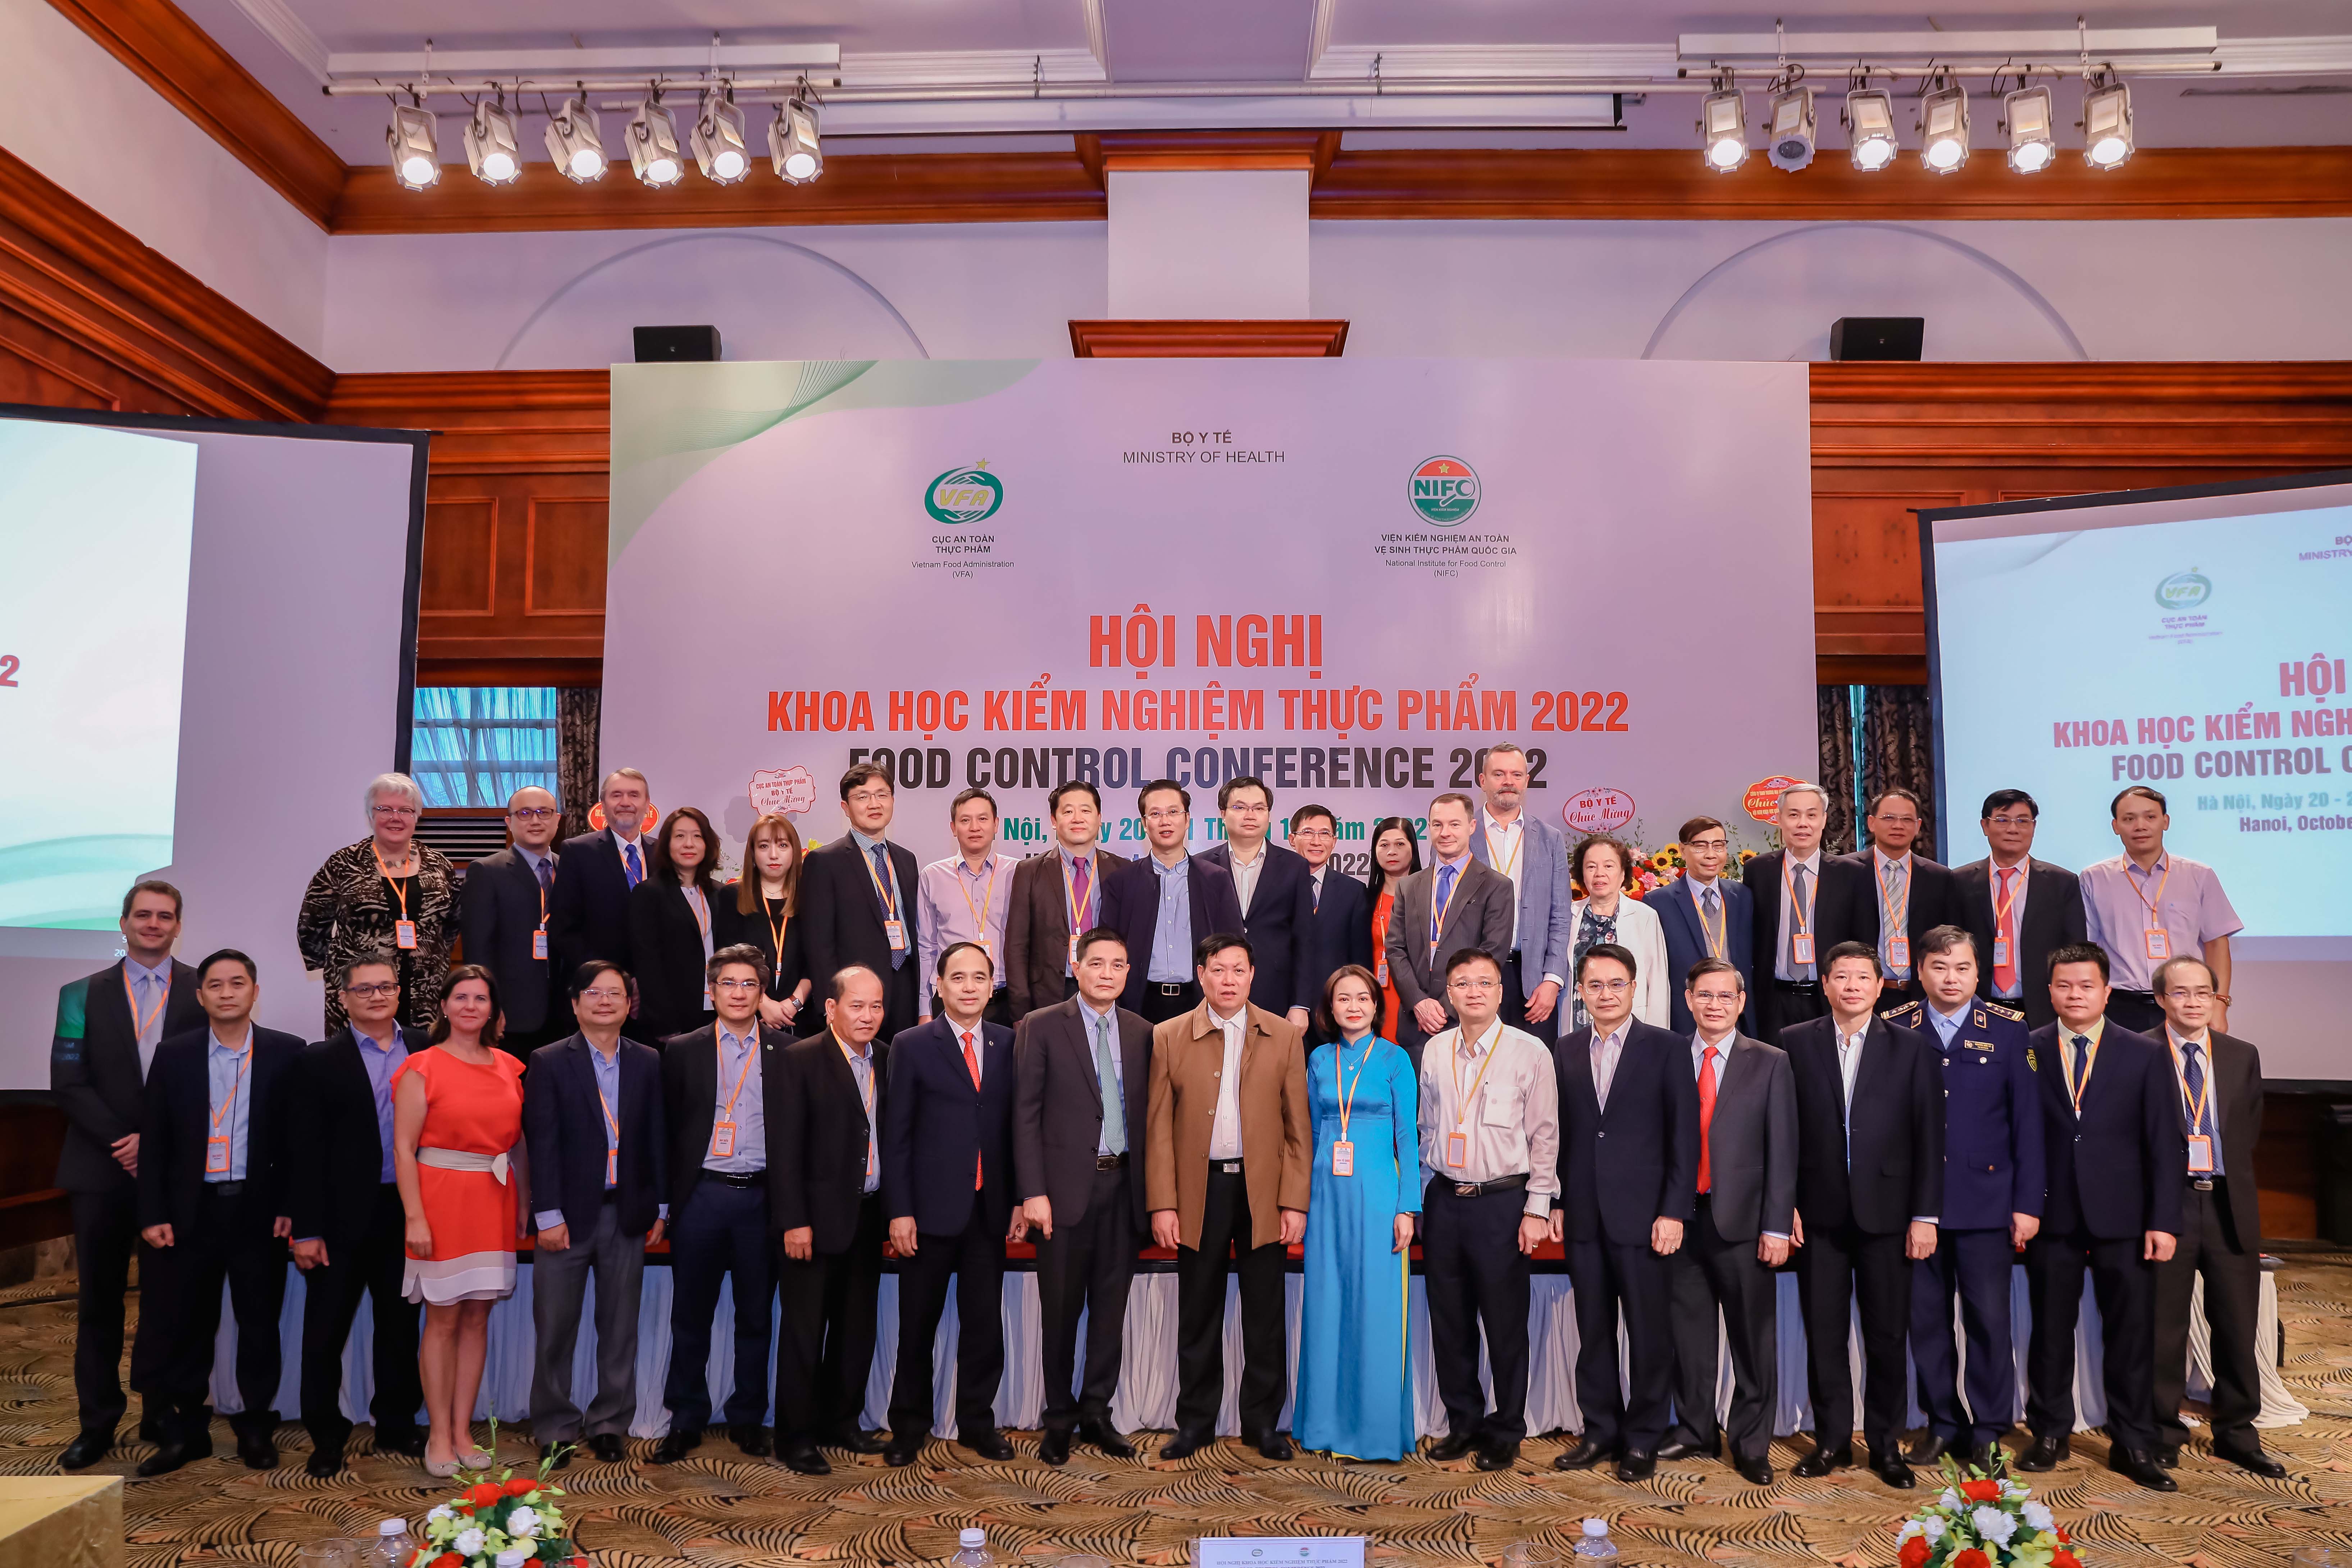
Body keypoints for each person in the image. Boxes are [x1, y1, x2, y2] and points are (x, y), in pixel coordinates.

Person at [1880, 928, 2043, 1474]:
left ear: (1980, 974)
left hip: (1987, 1204)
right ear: (1920, 972)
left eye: (1962, 968)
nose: (1951, 979)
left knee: (1989, 1321)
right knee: (1926, 1322)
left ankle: (1989, 1429)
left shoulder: (2007, 1031)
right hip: (1915, 1209)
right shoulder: (1896, 1027)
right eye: (1939, 968)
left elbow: (2028, 1127)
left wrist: (2028, 1205)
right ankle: (1943, 1422)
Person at [1781, 942, 1943, 1488]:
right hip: (1820, 1217)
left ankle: (1884, 1444)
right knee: (1824, 1335)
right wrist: (1787, 1206)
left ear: (1881, 986)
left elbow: (1928, 1137)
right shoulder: (1793, 1045)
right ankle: (1831, 1442)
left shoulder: (1912, 1048)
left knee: (1887, 1337)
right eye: (1840, 976)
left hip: (1891, 1216)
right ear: (1825, 984)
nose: (1851, 986)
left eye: (1862, 977)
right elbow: (1784, 1137)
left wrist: (1926, 1217)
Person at [53, 879, 201, 1471]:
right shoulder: (78, 993)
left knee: (169, 1304)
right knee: (99, 1304)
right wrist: (124, 1142)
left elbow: (211, 1079)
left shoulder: (202, 988)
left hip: (173, 1176)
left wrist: (158, 1145)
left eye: (165, 916)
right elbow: (68, 1081)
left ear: (178, 925)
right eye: (144, 915)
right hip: (99, 1170)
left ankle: (162, 1417)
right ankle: (97, 1423)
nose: (154, 924)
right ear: (123, 922)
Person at [2020, 942, 2180, 1491]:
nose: (2075, 995)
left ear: (2107, 991)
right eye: (2064, 985)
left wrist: (2164, 1220)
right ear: (2050, 991)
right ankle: (2049, 1432)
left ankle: (2134, 1441)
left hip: (2127, 1216)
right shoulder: (2030, 1048)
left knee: (2131, 1332)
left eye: (2086, 986)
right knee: (2049, 1329)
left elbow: (2166, 1144)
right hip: (2052, 1213)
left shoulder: (2144, 1052)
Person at [133, 950, 301, 1476]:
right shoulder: (175, 1054)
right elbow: (155, 1141)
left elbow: (301, 1143)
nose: (227, 993)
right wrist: (153, 1212)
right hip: (190, 1213)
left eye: (238, 983)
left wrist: (292, 1206)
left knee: (258, 1325)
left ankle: (255, 1426)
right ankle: (189, 1430)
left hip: (258, 1213)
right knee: (188, 1323)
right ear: (200, 994)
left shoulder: (286, 1053)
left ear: (255, 991)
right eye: (215, 985)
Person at [1147, 933, 1313, 1462]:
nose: (1228, 981)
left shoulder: (1284, 1036)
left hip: (1262, 1192)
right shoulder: (1170, 1035)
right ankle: (1195, 1422)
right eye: (1218, 971)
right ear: (1201, 975)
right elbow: (1158, 1131)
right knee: (1198, 1311)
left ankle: (1263, 1424)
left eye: (1238, 971)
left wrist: (1295, 1202)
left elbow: (1297, 1129)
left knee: (1265, 1312)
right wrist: (1164, 1204)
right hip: (1200, 1192)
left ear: (1252, 975)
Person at [1550, 943, 1698, 1482]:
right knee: (1593, 1332)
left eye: (1617, 984)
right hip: (1585, 1217)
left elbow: (1684, 1140)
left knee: (1649, 1334)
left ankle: (1643, 1438)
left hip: (1646, 1219)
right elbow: (1560, 1135)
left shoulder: (1665, 1048)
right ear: (1581, 991)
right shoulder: (1564, 1050)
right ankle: (1600, 1431)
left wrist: (1674, 1211)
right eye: (1595, 985)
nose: (1606, 994)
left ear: (1635, 989)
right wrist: (1559, 1201)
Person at [1012, 930, 1152, 1466]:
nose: (1108, 974)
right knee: (1062, 1313)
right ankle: (1059, 1418)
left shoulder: (1143, 1032)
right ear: (1077, 966)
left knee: (1110, 1313)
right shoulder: (1043, 1026)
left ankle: (1097, 1413)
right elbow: (1024, 1115)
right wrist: (1033, 1193)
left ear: (1128, 971)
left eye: (1118, 965)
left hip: (1124, 1189)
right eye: (1097, 964)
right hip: (1063, 1194)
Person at [285, 953, 428, 1477]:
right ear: (342, 998)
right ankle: (326, 1435)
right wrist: (307, 1228)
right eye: (364, 989)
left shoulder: (427, 1047)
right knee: (325, 1331)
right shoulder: (317, 1060)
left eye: (386, 986)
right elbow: (302, 1151)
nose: (376, 996)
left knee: (400, 1325)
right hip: (340, 1219)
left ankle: (396, 1422)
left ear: (398, 992)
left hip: (407, 1211)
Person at [1417, 948, 1559, 1471]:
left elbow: (1546, 1137)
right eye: (1462, 983)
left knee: (1504, 1325)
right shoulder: (1433, 1050)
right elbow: (1427, 1130)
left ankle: (1507, 1428)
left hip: (1503, 1203)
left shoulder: (1529, 1052)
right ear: (1448, 994)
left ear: (1501, 992)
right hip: (1444, 1201)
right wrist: (1421, 1200)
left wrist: (1537, 1209)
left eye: (1484, 982)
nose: (1473, 992)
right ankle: (1464, 1423)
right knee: (1449, 1322)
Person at [881, 942, 1022, 1466]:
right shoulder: (912, 1044)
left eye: (979, 978)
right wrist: (900, 1210)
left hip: (989, 1212)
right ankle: (909, 1428)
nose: (969, 987)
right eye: (958, 978)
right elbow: (896, 1137)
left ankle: (977, 1424)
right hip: (928, 1214)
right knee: (917, 1327)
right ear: (938, 985)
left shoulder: (1011, 1043)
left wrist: (1018, 1200)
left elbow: (1015, 1131)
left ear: (992, 985)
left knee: (984, 1327)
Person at [525, 961, 668, 1465]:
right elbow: (540, 1143)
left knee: (620, 1326)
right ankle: (555, 1425)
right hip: (566, 1218)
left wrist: (662, 1206)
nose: (605, 1001)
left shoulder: (649, 1060)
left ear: (630, 1005)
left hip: (626, 1213)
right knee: (556, 1328)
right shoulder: (548, 1061)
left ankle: (610, 1421)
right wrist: (546, 1215)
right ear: (575, 1003)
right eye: (594, 993)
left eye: (616, 994)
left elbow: (657, 1139)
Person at [2148, 956, 2285, 1478]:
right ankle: (2162, 1430)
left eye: (2203, 993)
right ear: (2161, 999)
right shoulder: (2140, 1053)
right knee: (2164, 1327)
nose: (2192, 1003)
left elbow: (2248, 1130)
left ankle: (2237, 1433)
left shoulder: (2241, 1055)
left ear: (2216, 999)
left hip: (2230, 1205)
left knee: (2237, 1324)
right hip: (2169, 1206)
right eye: (2180, 993)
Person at [1659, 959, 1794, 1487]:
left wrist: (1777, 1226)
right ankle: (1695, 1429)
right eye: (1704, 995)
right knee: (1688, 1337)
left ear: (1741, 1002)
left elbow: (1783, 1150)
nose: (1714, 1005)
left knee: (1752, 1340)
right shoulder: (1668, 1056)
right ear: (1688, 999)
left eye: (1725, 996)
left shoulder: (1770, 1061)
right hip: (1682, 1220)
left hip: (1744, 1222)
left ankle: (1751, 1443)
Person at [655, 945, 789, 1464]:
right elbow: (666, 1131)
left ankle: (749, 1418)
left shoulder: (784, 1050)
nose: (739, 993)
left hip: (760, 1198)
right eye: (728, 984)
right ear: (711, 992)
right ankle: (685, 1418)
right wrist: (667, 1205)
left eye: (749, 985)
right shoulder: (682, 1050)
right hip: (703, 1196)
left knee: (756, 1316)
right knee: (691, 1315)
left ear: (762, 994)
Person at [392, 965, 529, 1477]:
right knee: (443, 1320)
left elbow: (517, 1146)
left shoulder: (511, 1068)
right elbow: (405, 1150)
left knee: (477, 1319)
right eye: (461, 997)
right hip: (439, 1201)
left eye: (481, 998)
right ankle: (438, 1435)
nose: (471, 1006)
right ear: (445, 1007)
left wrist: (523, 1204)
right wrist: (415, 1218)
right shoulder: (421, 1067)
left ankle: (462, 1428)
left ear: (492, 1009)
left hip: (492, 1201)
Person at [1293, 965, 1419, 1462]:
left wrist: (1408, 1206)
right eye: (1343, 998)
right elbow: (1309, 1134)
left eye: (1363, 998)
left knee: (1377, 1307)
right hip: (1327, 1194)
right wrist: (1300, 1201)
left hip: (1379, 1192)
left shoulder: (1395, 1059)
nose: (1353, 1006)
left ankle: (1376, 1433)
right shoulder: (1320, 1059)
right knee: (1327, 1304)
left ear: (1376, 1005)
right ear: (1329, 1008)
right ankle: (1323, 1427)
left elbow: (1408, 1137)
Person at [772, 965, 892, 1474]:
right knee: (804, 1332)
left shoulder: (887, 1059)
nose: (868, 1016)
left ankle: (840, 1421)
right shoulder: (799, 1060)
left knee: (856, 1327)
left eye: (877, 1006)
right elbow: (784, 1150)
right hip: (813, 1223)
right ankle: (794, 1437)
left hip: (868, 1214)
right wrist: (794, 1220)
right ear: (831, 1008)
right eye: (857, 1006)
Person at [297, 772, 456, 1032]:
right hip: (362, 992)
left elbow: (451, 924)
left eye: (406, 810)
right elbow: (311, 926)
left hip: (425, 991)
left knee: (422, 1066)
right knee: (357, 1067)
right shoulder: (343, 864)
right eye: (385, 809)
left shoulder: (439, 865)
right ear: (370, 815)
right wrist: (347, 966)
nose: (396, 818)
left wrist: (430, 957)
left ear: (417, 816)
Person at [2080, 786, 2243, 1036]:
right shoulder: (2094, 878)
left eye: (2150, 817)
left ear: (2165, 822)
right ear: (2116, 826)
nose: (2140, 826)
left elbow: (2217, 944)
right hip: (2119, 1006)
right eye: (2129, 819)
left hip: (2185, 1002)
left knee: (2183, 1074)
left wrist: (2219, 1006)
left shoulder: (2199, 875)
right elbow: (2088, 950)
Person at [1100, 780, 1243, 1024]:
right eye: (1155, 814)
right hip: (1139, 1003)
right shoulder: (1122, 881)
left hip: (1200, 1002)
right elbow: (1108, 945)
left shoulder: (1216, 879)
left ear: (1187, 820)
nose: (1165, 821)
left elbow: (1234, 945)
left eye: (1174, 812)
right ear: (1144, 824)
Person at [1385, 795, 1513, 1063]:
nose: (1445, 833)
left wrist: (1444, 1007)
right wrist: (1418, 1002)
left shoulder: (1497, 886)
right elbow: (1395, 948)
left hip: (1467, 1021)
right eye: (1437, 825)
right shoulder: (1409, 886)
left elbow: (1492, 954)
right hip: (1416, 1025)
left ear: (1472, 826)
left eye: (1454, 825)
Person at [801, 764, 922, 1038]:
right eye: (863, 796)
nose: (874, 804)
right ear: (846, 807)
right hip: (854, 998)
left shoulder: (906, 859)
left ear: (893, 801)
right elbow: (818, 944)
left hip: (905, 987)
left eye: (882, 795)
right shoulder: (824, 861)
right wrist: (829, 1006)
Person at [1746, 783, 1870, 1043]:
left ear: (1824, 820)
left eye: (1812, 815)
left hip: (1828, 998)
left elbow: (1863, 940)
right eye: (1794, 815)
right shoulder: (1758, 871)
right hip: (1773, 998)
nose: (1803, 823)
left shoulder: (1851, 874)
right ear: (1779, 819)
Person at [1954, 789, 2087, 1029]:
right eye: (2002, 820)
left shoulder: (2062, 882)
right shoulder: (1959, 881)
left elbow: (2074, 950)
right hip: (1976, 1006)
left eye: (2023, 821)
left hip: (2042, 1009)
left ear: (2034, 827)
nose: (2013, 829)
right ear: (1985, 826)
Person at [1198, 777, 1316, 1029]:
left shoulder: (1295, 867)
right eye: (1240, 808)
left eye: (1259, 808)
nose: (1250, 815)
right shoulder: (1202, 866)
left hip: (1276, 993)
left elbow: (1305, 939)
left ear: (1269, 815)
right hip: (1216, 993)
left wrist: (1300, 1005)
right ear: (1223, 813)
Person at [1468, 745, 1571, 1031]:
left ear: (1527, 781)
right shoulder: (1461, 834)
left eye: (1516, 774)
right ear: (1483, 781)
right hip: (1477, 980)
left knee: (1533, 1074)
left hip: (1535, 982)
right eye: (1498, 774)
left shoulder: (1550, 839)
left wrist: (1552, 979)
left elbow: (1561, 916)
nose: (1508, 782)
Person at [461, 786, 565, 1058]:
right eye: (525, 813)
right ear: (509, 822)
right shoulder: (487, 871)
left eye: (544, 813)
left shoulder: (570, 869)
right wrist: (490, 1007)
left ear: (558, 820)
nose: (535, 820)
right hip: (512, 1016)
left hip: (568, 1014)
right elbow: (478, 951)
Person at [1007, 780, 1120, 1017]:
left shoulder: (1122, 870)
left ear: (1100, 818)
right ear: (1054, 821)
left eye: (1086, 811)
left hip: (1108, 992)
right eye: (1068, 811)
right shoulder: (1029, 871)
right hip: (1048, 996)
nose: (1077, 818)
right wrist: (1021, 1012)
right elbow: (1017, 947)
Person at [1847, 788, 1958, 1007]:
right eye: (1889, 818)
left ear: (1917, 826)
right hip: (1863, 993)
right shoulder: (1847, 871)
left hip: (1922, 995)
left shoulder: (1939, 877)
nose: (1898, 826)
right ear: (1871, 823)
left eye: (1907, 820)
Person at [916, 789, 1016, 1026]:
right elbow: (926, 946)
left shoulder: (1018, 873)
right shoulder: (932, 876)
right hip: (950, 1000)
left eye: (983, 819)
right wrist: (924, 1007)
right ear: (953, 828)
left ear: (996, 825)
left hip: (1005, 999)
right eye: (965, 820)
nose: (975, 827)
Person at [627, 805, 725, 1041]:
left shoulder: (721, 893)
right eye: (680, 836)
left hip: (718, 1010)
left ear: (708, 844)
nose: (689, 844)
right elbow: (648, 963)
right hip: (673, 1019)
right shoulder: (649, 894)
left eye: (697, 836)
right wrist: (664, 1023)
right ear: (666, 844)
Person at [549, 768, 656, 979]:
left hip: (654, 986)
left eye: (634, 795)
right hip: (597, 984)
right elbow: (564, 927)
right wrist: (605, 976)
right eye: (616, 795)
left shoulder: (663, 853)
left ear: (647, 804)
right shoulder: (577, 852)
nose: (625, 802)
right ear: (603, 805)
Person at [1564, 835, 1668, 1032]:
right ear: (1582, 874)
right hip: (1578, 1025)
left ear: (1623, 874)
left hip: (1633, 1025)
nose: (1599, 874)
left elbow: (1658, 981)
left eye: (1609, 866)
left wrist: (1657, 1036)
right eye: (1591, 867)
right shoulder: (1568, 915)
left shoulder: (1644, 916)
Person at [1293, 804, 1374, 1045]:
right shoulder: (1273, 887)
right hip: (1283, 1012)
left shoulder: (1353, 892)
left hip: (1334, 1015)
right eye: (1308, 833)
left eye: (1325, 834)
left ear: (1335, 841)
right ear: (1292, 839)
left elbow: (1360, 962)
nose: (1316, 841)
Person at [734, 812, 815, 1034]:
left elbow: (818, 958)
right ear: (752, 854)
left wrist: (793, 1004)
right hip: (748, 1016)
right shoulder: (732, 897)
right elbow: (728, 959)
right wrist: (763, 1004)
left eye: (782, 845)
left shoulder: (812, 898)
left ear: (795, 851)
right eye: (763, 846)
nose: (773, 855)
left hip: (802, 1019)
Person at [1364, 818, 1422, 1041]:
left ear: (1413, 849)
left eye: (1400, 845)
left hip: (1414, 992)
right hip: (1374, 991)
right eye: (1384, 845)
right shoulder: (1364, 898)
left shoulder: (1429, 896)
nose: (1392, 852)